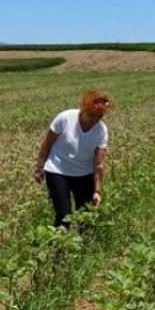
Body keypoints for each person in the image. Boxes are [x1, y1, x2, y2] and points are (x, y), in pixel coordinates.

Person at [34, 90, 111, 228]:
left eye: (99, 117)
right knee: (64, 214)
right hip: (57, 169)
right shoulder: (65, 118)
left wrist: (97, 191)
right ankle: (59, 248)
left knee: (86, 215)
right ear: (84, 109)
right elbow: (47, 144)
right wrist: (39, 167)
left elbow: (99, 164)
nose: (94, 120)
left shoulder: (101, 131)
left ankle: (85, 247)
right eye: (92, 116)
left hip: (84, 173)